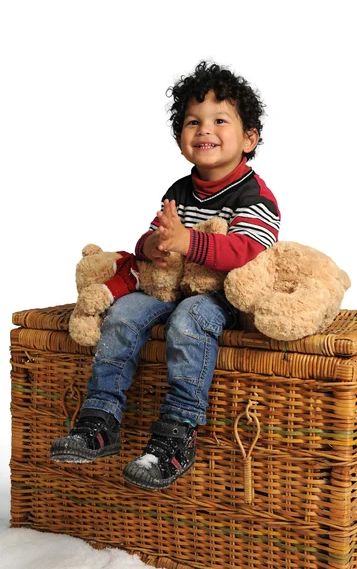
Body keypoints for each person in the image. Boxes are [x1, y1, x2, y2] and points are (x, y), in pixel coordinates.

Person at [50, 61, 281, 490]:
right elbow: (157, 241)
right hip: (171, 288)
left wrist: (187, 242)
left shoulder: (255, 195)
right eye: (193, 122)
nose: (204, 129)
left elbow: (248, 250)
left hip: (223, 301)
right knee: (124, 311)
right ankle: (100, 420)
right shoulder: (179, 191)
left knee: (191, 317)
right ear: (181, 141)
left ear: (249, 138)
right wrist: (152, 246)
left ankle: (178, 431)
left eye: (219, 120)